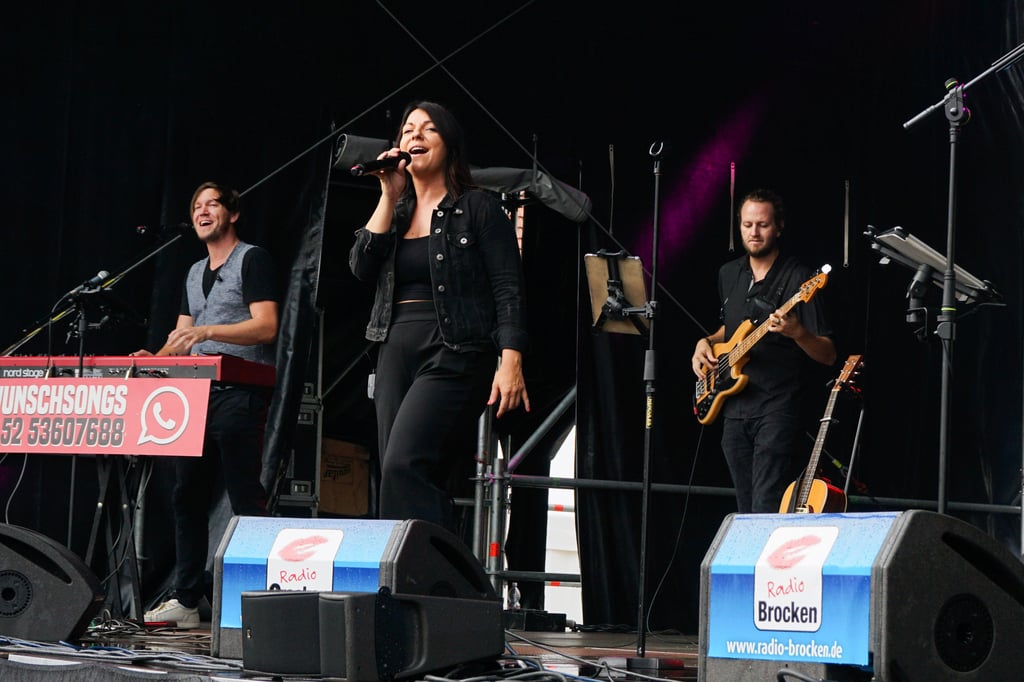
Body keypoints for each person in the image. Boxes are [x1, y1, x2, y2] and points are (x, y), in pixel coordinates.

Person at [349, 99, 530, 532]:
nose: (414, 136)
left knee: (402, 464)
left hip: (455, 349)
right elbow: (360, 268)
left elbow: (508, 287)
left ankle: (435, 583)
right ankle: (414, 578)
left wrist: (511, 360)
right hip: (394, 347)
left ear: (448, 145)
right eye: (408, 130)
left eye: (427, 129)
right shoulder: (397, 211)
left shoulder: (479, 208)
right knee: (400, 473)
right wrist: (388, 195)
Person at [139, 181, 279, 628]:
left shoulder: (252, 259)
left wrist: (207, 331)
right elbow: (182, 336)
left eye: (211, 204)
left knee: (243, 495)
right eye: (196, 205)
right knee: (187, 496)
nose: (202, 211)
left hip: (240, 394)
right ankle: (186, 598)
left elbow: (266, 326)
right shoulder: (194, 270)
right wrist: (150, 361)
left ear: (231, 213)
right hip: (196, 395)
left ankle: (256, 596)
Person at [691, 188, 836, 513]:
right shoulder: (728, 273)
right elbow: (728, 330)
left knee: (766, 505)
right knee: (744, 508)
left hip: (777, 407)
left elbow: (828, 354)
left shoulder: (800, 277)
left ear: (779, 227)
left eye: (762, 225)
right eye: (747, 225)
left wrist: (797, 332)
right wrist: (705, 343)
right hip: (732, 409)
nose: (753, 232)